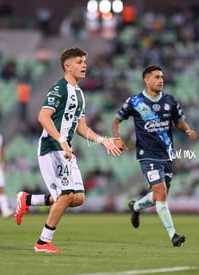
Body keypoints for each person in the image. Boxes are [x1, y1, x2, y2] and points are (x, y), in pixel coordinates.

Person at [14, 47, 121, 253]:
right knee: (65, 195)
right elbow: (43, 117)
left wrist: (103, 140)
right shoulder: (59, 88)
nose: (84, 65)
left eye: (84, 62)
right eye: (79, 62)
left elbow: (82, 128)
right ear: (67, 66)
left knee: (77, 198)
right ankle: (43, 242)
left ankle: (27, 200)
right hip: (53, 146)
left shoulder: (80, 94)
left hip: (65, 149)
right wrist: (62, 141)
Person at [112, 65, 197, 247]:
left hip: (167, 155)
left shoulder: (170, 100)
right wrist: (117, 138)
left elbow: (179, 122)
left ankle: (135, 207)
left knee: (160, 195)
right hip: (147, 155)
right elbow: (116, 120)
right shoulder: (135, 101)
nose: (161, 80)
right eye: (157, 77)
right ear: (146, 79)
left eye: (162, 77)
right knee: (160, 192)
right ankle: (173, 235)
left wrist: (187, 129)